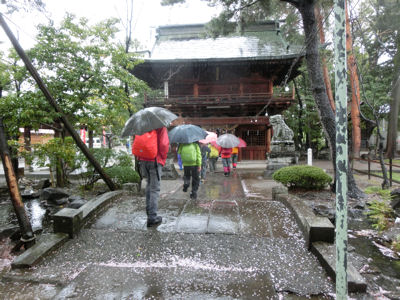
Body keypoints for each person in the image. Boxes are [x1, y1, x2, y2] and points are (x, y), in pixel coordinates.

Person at [135, 127, 169, 227]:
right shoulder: (160, 126)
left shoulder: (142, 126)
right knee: (155, 189)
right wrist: (162, 158)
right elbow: (164, 144)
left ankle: (149, 212)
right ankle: (152, 217)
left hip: (143, 160)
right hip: (155, 160)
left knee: (149, 185)